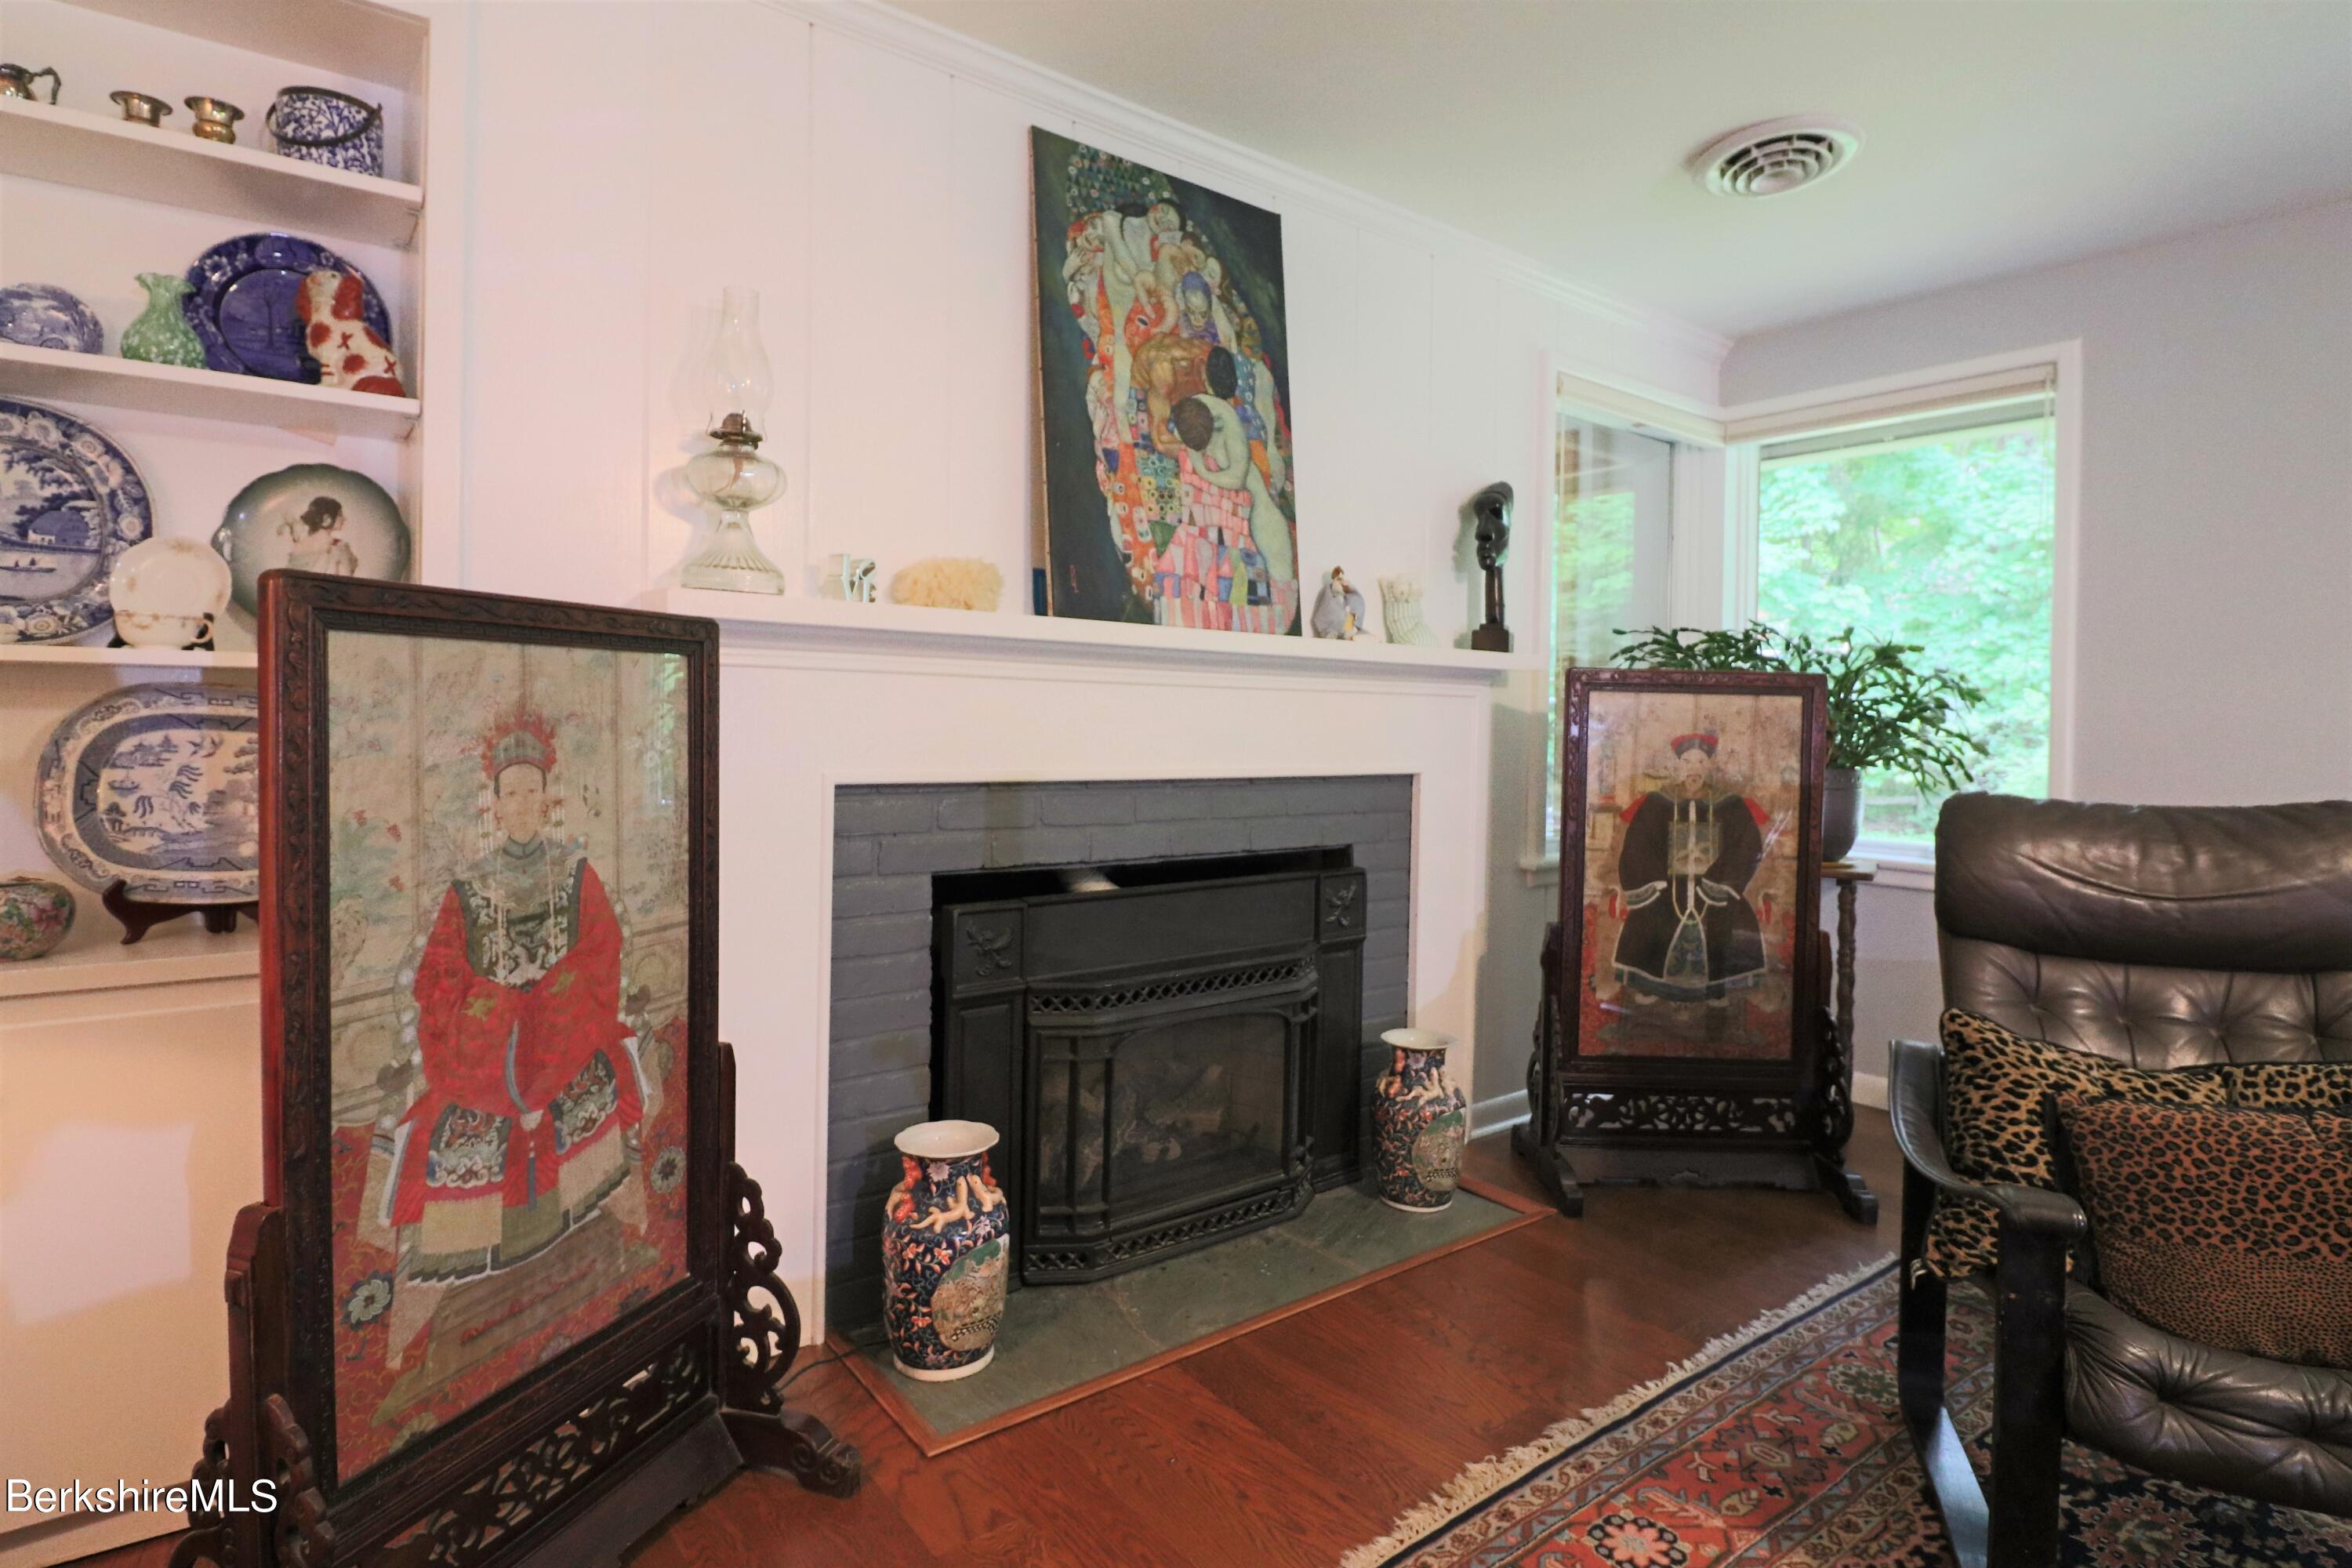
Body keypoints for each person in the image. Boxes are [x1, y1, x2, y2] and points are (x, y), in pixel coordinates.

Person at [379, 711, 646, 1365]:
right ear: (493, 804)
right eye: (511, 793)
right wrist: (497, 1012)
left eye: (534, 792)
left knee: (597, 1080)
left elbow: (600, 953)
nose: (523, 805)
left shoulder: (576, 872)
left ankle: (579, 1229)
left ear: (548, 798)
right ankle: (477, 1274)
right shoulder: (467, 890)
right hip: (488, 1050)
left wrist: (549, 1009)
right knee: (448, 1130)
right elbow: (438, 977)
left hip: (563, 1037)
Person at [1610, 731, 1769, 1004]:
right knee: (1650, 918)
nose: (1693, 769)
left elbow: (1748, 845)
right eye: (1687, 762)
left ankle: (1716, 989)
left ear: (1708, 765)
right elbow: (1639, 844)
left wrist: (1723, 881)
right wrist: (1653, 879)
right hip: (1666, 882)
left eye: (1699, 763)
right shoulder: (1657, 802)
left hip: (1715, 883)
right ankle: (1652, 987)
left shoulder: (1730, 804)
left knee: (1726, 922)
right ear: (1678, 765)